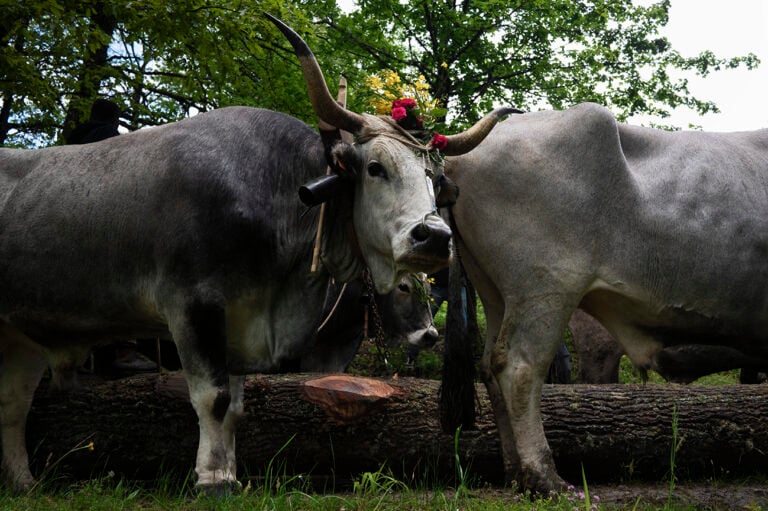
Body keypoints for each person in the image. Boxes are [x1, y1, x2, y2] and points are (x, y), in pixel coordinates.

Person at [65, 98, 156, 375]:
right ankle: (120, 350)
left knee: (78, 286)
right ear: (114, 119)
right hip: (102, 219)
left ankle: (73, 357)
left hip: (68, 220)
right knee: (118, 279)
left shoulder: (70, 143)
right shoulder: (110, 138)